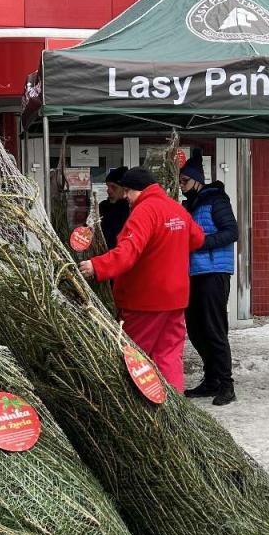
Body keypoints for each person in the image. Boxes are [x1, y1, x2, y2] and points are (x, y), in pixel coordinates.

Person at [80, 167, 204, 391]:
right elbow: (197, 239)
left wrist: (96, 265)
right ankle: (173, 408)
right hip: (175, 297)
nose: (125, 196)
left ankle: (141, 409)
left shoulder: (144, 211)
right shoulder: (175, 208)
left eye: (128, 191)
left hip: (144, 300)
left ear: (140, 189)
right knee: (169, 355)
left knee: (135, 357)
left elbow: (127, 253)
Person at [178, 153, 238, 406]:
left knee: (214, 329)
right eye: (180, 181)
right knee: (195, 328)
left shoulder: (216, 200)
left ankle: (226, 384)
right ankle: (211, 379)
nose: (181, 185)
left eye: (184, 180)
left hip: (214, 272)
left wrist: (202, 243)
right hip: (193, 273)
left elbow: (232, 232)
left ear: (197, 180)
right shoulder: (188, 205)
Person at [98, 166, 131, 250]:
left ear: (125, 189)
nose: (109, 191)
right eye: (108, 186)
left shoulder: (131, 209)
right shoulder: (103, 207)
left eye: (114, 187)